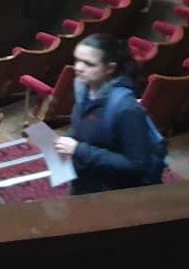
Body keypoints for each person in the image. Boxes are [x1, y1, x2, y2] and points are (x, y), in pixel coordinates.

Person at [54, 35, 165, 195]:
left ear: (110, 68)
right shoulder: (83, 88)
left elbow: (137, 165)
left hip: (114, 191)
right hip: (87, 180)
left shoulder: (126, 109)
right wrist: (69, 141)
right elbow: (83, 126)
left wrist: (80, 150)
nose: (78, 67)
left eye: (89, 64)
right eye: (77, 60)